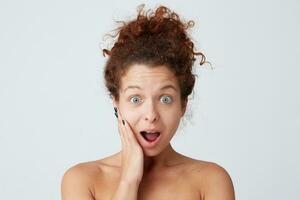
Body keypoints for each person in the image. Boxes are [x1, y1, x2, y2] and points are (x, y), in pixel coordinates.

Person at [61, 4, 235, 200]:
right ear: (116, 103)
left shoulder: (211, 181)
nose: (151, 114)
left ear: (183, 105)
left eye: (165, 99)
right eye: (135, 99)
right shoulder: (83, 180)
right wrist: (129, 179)